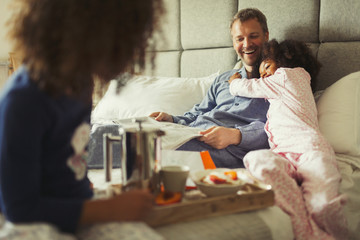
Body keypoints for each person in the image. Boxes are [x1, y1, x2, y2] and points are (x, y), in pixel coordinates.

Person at [0, 0, 164, 237]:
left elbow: (70, 163)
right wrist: (108, 209)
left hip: (75, 206)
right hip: (26, 221)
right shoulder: (23, 100)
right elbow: (19, 208)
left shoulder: (81, 84)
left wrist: (99, 201)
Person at [228, 39, 347, 240]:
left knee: (322, 204)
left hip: (308, 148)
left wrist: (233, 83)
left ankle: (326, 233)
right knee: (257, 160)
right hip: (282, 154)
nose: (263, 73)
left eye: (266, 65)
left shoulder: (291, 75)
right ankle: (307, 228)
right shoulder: (279, 91)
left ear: (286, 59)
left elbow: (249, 87)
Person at [150, 8, 270, 168]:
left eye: (253, 36)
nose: (246, 44)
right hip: (191, 134)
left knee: (141, 147)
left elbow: (285, 127)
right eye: (239, 39)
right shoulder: (223, 79)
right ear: (234, 43)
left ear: (266, 36)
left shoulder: (279, 81)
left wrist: (237, 135)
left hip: (225, 150)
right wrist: (172, 119)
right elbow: (198, 112)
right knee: (118, 131)